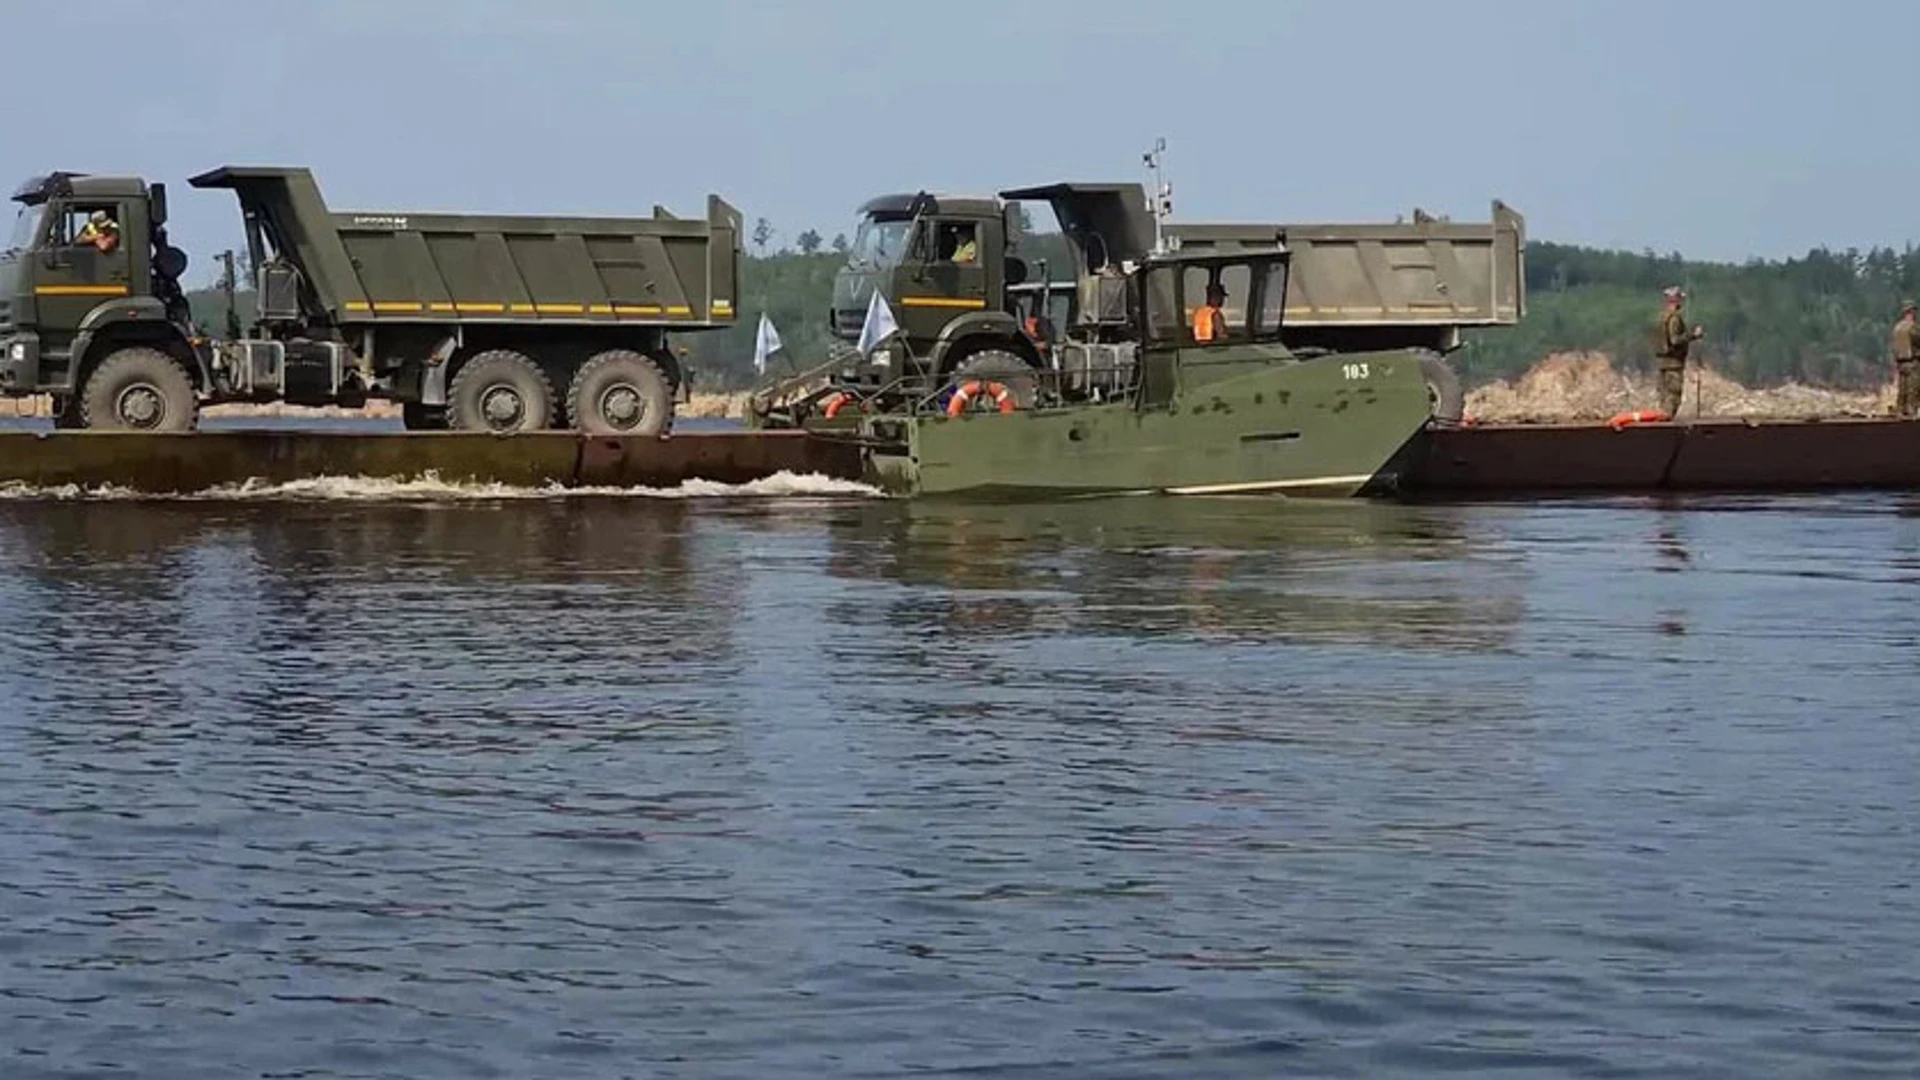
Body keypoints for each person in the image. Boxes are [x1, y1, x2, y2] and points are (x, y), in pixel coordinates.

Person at [1652, 285, 1703, 415]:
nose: (1682, 302)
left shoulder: (1660, 317)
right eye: (1680, 298)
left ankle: (1661, 423)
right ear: (1675, 300)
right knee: (1673, 397)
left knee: (1663, 397)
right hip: (1673, 364)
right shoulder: (1674, 318)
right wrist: (1693, 335)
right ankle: (1666, 426)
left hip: (1662, 362)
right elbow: (1674, 340)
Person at [1894, 300, 1920, 419]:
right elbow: (1917, 340)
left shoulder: (1897, 327)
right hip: (1912, 361)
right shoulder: (1912, 327)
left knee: (1902, 389)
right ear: (1911, 312)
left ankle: (1900, 410)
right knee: (1913, 388)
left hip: (1900, 362)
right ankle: (1911, 412)